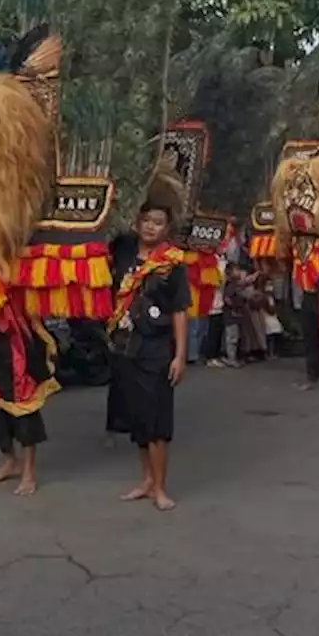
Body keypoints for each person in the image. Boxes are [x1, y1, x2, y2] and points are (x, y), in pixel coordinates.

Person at [108, 202, 190, 512]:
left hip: (156, 349)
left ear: (166, 228)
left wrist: (179, 355)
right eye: (146, 220)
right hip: (124, 346)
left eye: (158, 222)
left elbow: (180, 311)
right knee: (138, 419)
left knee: (157, 421)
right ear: (137, 222)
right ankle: (145, 480)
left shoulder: (172, 264)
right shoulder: (124, 254)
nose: (151, 226)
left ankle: (159, 487)